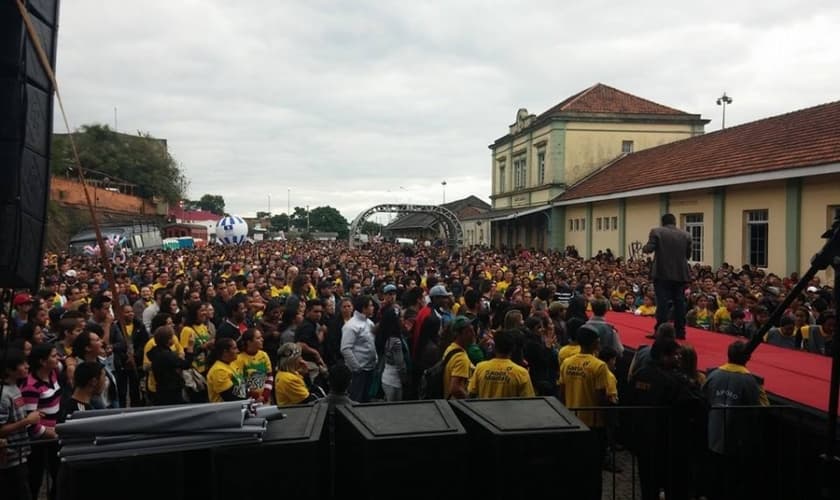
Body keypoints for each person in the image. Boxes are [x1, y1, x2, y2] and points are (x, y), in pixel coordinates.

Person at [643, 213, 692, 339]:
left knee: (662, 303)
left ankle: (661, 332)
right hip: (681, 274)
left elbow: (649, 249)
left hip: (662, 273)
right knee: (679, 303)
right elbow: (688, 255)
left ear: (663, 222)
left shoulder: (657, 232)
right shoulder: (686, 235)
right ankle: (680, 332)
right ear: (675, 222)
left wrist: (644, 248)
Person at [1, 349, 41, 500]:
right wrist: (27, 421)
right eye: (22, 364)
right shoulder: (4, 395)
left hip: (20, 456)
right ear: (9, 370)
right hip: (9, 460)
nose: (27, 366)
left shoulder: (15, 387)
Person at [468, 329, 535, 399]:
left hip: (482, 410)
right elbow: (528, 400)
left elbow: (471, 394)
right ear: (512, 349)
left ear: (494, 348)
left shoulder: (480, 367)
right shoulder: (521, 373)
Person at [340, 295, 378, 402]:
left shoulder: (369, 322)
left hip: (370, 368)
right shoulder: (351, 326)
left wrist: (375, 358)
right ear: (363, 308)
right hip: (358, 372)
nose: (373, 308)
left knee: (366, 399)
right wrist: (357, 368)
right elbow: (345, 349)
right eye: (370, 306)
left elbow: (371, 343)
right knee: (356, 399)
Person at [147, 326, 191, 405]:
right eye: (173, 336)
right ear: (168, 340)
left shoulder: (154, 352)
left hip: (160, 388)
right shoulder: (167, 355)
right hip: (171, 390)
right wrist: (190, 349)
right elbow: (186, 365)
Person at [206, 338, 246, 403]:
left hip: (239, 407)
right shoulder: (218, 371)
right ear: (225, 352)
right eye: (234, 348)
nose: (238, 351)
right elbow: (230, 398)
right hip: (224, 410)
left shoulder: (232, 363)